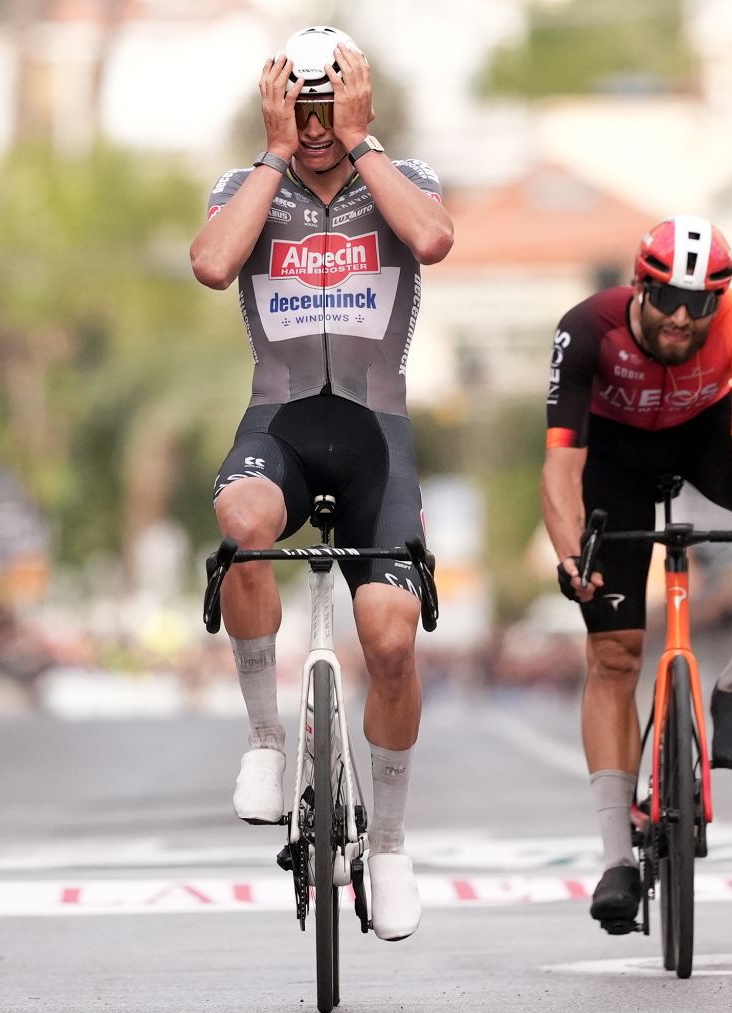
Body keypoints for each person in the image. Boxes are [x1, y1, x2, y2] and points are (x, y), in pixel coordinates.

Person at [187, 24, 452, 943]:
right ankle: (266, 742)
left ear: (358, 100)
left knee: (390, 638)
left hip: (378, 434)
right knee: (241, 522)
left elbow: (432, 237)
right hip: (283, 425)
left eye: (329, 102)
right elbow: (215, 263)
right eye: (299, 105)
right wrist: (269, 157)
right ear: (275, 105)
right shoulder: (246, 187)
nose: (314, 122)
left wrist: (365, 140)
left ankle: (388, 843)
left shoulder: (400, 176)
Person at [539, 215, 732, 929]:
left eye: (700, 304)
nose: (680, 316)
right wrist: (572, 555)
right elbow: (562, 465)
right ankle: (614, 860)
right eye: (667, 298)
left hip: (708, 434)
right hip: (615, 457)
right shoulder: (587, 327)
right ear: (640, 285)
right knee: (614, 653)